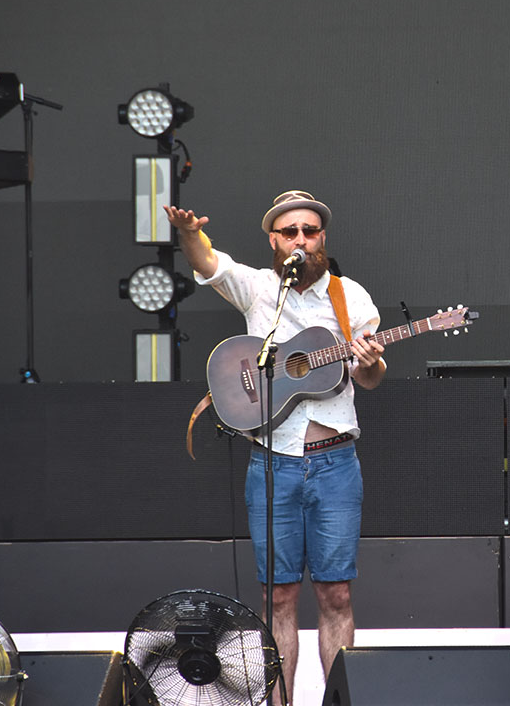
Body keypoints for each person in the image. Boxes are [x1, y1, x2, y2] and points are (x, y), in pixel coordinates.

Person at [164, 190, 385, 705]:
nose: (301, 239)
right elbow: (210, 265)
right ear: (274, 241)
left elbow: (370, 378)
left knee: (336, 593)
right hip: (271, 463)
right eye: (290, 232)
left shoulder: (349, 296)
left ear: (322, 237)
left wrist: (370, 360)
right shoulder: (261, 290)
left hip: (335, 462)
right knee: (277, 595)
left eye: (310, 230)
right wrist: (189, 234)